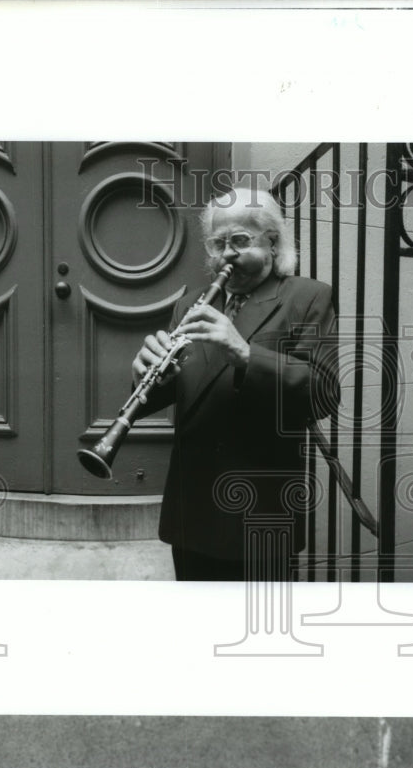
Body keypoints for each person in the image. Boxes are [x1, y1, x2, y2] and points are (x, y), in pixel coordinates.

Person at [132, 188, 339, 581]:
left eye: (240, 241)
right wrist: (145, 375)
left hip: (259, 509)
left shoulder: (307, 297)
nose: (226, 254)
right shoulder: (191, 304)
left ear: (273, 242)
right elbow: (168, 392)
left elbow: (323, 392)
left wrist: (245, 353)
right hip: (190, 510)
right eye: (218, 243)